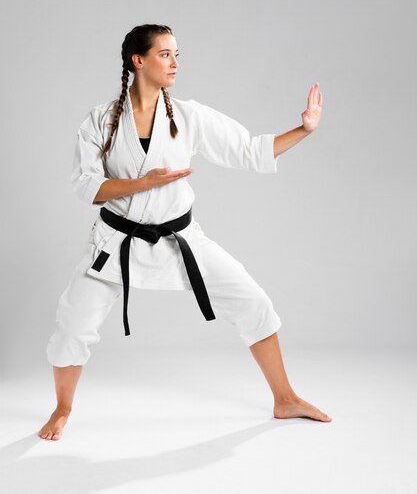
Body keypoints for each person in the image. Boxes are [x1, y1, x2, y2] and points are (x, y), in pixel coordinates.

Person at [38, 24, 332, 441]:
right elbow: (86, 185)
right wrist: (143, 183)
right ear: (138, 61)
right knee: (72, 325)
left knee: (253, 301)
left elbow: (248, 149)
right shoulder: (101, 121)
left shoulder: (189, 116)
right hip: (115, 242)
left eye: (178, 54)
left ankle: (284, 398)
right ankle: (62, 407)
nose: (176, 63)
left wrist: (304, 129)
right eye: (165, 54)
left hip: (181, 240)